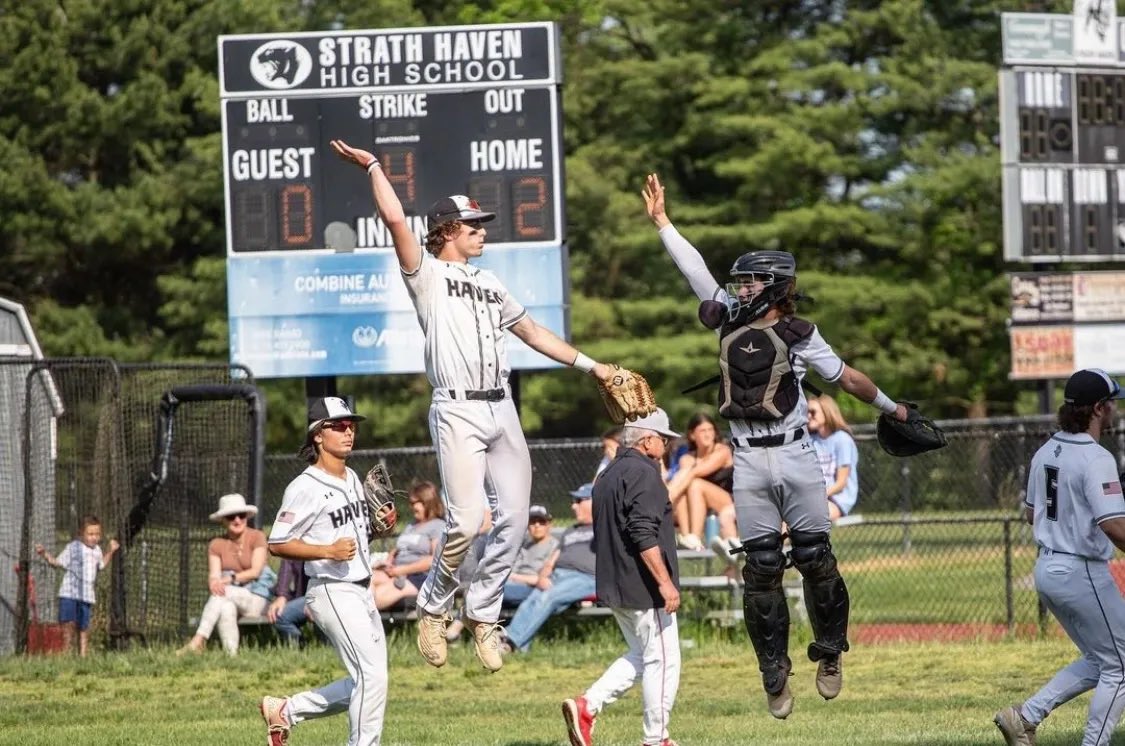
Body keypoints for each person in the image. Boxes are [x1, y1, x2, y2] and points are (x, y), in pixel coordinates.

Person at [331, 138, 625, 673]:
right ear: (447, 231)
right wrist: (373, 165)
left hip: (501, 407)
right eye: (473, 226)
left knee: (514, 519)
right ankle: (433, 604)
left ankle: (483, 614)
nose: (482, 231)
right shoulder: (427, 276)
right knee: (466, 521)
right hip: (458, 408)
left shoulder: (490, 283)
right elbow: (395, 220)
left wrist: (594, 367)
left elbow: (533, 333)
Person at [643, 173, 910, 719]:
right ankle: (773, 669)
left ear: (775, 285)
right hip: (747, 458)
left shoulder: (800, 333)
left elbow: (846, 379)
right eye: (740, 282)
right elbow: (695, 270)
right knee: (761, 568)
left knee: (815, 558)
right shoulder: (726, 319)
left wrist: (893, 408)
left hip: (795, 453)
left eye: (750, 282)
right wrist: (663, 223)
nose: (740, 289)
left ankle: (830, 652)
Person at [994, 369, 1125, 746]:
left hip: (1048, 569)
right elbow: (1113, 525)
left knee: (1102, 659)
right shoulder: (1096, 457)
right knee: (1121, 665)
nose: (1115, 410)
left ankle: (1024, 717)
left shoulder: (1046, 450)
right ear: (1098, 409)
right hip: (1081, 572)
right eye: (1112, 403)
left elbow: (1030, 514)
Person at [259, 396, 398, 746]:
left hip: (362, 589)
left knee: (371, 679)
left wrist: (379, 527)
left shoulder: (352, 477)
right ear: (318, 435)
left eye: (351, 425)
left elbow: (355, 534)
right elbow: (277, 542)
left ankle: (286, 710)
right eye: (339, 426)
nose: (349, 432)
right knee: (370, 677)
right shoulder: (304, 487)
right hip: (332, 589)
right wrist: (326, 550)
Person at [562, 408, 683, 746]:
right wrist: (664, 582)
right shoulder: (643, 473)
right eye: (663, 438)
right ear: (647, 441)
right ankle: (656, 738)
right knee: (663, 660)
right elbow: (643, 532)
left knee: (642, 656)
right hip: (643, 585)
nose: (666, 445)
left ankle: (587, 707)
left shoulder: (608, 474)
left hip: (615, 581)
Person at [500, 484, 597, 653]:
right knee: (532, 599)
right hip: (558, 574)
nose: (573, 506)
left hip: (586, 577)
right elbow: (552, 561)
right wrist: (543, 577)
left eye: (578, 501)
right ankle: (520, 647)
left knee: (549, 597)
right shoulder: (570, 530)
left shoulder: (605, 528)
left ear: (594, 503)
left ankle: (510, 642)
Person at [178, 493, 272, 656]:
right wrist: (214, 583)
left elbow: (255, 571)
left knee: (224, 592)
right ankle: (231, 656)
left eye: (241, 515)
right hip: (231, 596)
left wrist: (228, 579)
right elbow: (214, 575)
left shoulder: (257, 537)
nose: (237, 520)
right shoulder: (216, 544)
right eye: (231, 517)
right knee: (226, 606)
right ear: (222, 520)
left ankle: (198, 640)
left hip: (258, 597)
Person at [34, 514, 119, 656]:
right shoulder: (73, 547)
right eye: (90, 534)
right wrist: (44, 554)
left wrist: (111, 551)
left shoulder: (97, 550)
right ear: (81, 533)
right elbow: (57, 563)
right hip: (69, 593)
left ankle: (83, 656)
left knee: (83, 627)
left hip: (86, 595)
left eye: (97, 534)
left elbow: (101, 565)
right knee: (68, 624)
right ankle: (66, 653)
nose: (94, 537)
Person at [663, 412, 739, 557]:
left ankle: (695, 536)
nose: (707, 434)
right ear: (692, 435)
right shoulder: (687, 457)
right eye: (703, 431)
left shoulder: (722, 451)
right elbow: (682, 475)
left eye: (710, 430)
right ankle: (687, 537)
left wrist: (668, 497)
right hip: (699, 504)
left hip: (729, 501)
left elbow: (695, 472)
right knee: (683, 493)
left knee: (695, 484)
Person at [371, 481, 445, 611]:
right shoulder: (411, 525)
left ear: (428, 503)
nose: (412, 507)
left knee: (375, 598)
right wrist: (388, 562)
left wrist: (401, 570)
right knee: (366, 581)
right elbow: (399, 549)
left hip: (420, 577)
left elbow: (434, 560)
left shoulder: (438, 526)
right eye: (411, 503)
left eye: (416, 503)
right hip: (396, 572)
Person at [807, 395, 860, 521]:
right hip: (814, 498)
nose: (808, 416)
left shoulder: (842, 439)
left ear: (827, 411)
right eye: (806, 412)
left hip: (838, 499)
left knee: (808, 516)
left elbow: (841, 483)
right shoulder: (810, 441)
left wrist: (815, 497)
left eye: (813, 412)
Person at [502, 504, 560, 607]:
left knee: (493, 591)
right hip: (512, 584)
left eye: (541, 522)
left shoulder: (555, 547)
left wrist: (514, 577)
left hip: (533, 589)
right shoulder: (524, 544)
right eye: (532, 522)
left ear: (549, 525)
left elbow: (542, 580)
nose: (537, 525)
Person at [266, 558, 311, 648]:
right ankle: (301, 646)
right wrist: (282, 595)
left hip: (329, 594)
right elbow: (287, 563)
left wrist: (315, 601)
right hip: (305, 597)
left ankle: (326, 646)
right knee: (279, 615)